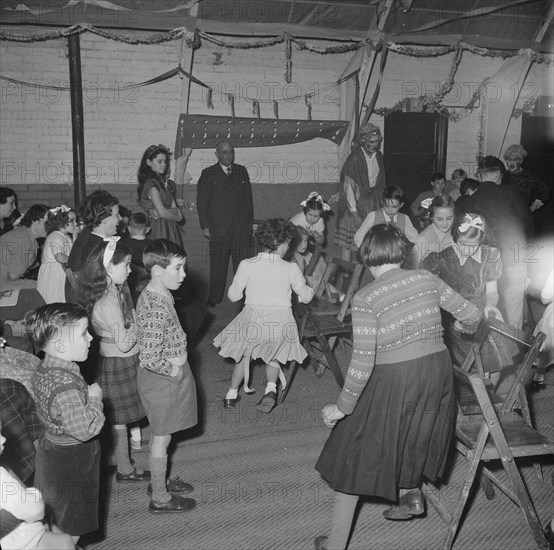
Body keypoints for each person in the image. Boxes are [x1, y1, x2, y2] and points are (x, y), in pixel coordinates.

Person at [314, 224, 480, 550]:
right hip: (437, 371)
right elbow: (472, 313)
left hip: (397, 374)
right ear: (402, 252)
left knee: (354, 450)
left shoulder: (366, 298)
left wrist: (342, 408)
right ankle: (409, 494)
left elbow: (362, 363)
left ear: (367, 257)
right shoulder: (426, 278)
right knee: (415, 426)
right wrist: (462, 324)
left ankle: (334, 544)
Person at [214, 219, 314, 413]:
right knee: (274, 357)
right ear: (284, 243)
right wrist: (307, 294)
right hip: (280, 325)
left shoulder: (246, 264)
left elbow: (234, 295)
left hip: (253, 323)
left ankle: (231, 395)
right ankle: (270, 389)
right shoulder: (291, 268)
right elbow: (305, 296)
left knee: (243, 358)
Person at [27, 303, 105, 544]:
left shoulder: (46, 366)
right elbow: (84, 430)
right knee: (73, 523)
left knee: (55, 519)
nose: (91, 337)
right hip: (72, 461)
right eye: (83, 333)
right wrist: (95, 401)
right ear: (60, 345)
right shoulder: (66, 387)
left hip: (52, 452)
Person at [77, 238, 150, 483]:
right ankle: (124, 468)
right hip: (122, 361)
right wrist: (141, 326)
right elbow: (125, 342)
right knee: (120, 420)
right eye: (126, 265)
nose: (130, 270)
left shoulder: (105, 290)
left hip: (109, 361)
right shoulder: (109, 299)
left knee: (118, 420)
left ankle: (123, 465)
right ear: (109, 267)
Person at [136, 239, 197, 514]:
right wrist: (175, 371)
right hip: (163, 380)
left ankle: (159, 481)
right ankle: (159, 497)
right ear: (158, 271)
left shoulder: (158, 292)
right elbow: (149, 357)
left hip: (167, 376)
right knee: (161, 437)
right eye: (179, 268)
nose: (183, 275)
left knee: (166, 435)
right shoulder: (157, 305)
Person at [421, 213, 517, 372]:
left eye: (474, 245)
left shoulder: (490, 255)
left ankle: (489, 395)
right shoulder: (442, 259)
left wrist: (491, 305)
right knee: (463, 367)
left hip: (482, 312)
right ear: (454, 238)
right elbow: (428, 291)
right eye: (463, 244)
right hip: (453, 314)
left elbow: (492, 291)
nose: (468, 249)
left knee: (494, 363)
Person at [464, 156, 533, 328]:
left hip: (484, 266)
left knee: (490, 311)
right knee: (514, 310)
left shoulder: (470, 201)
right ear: (499, 176)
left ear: (480, 175)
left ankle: (497, 352)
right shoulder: (512, 193)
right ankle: (515, 348)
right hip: (514, 260)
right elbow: (529, 224)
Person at [197, 140, 254, 307]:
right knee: (218, 265)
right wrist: (205, 226)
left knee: (242, 265)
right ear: (217, 154)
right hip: (218, 228)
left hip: (241, 228)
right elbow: (202, 203)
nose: (228, 155)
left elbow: (248, 200)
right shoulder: (208, 174)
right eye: (224, 152)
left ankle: (243, 297)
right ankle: (214, 297)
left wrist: (249, 224)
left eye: (231, 152)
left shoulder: (241, 171)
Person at [0, 429, 76, 550]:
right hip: (16, 540)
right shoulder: (1, 477)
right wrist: (33, 495)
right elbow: (33, 510)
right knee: (65, 541)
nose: (3, 439)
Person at [334, 123, 386, 260]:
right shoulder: (354, 159)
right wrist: (355, 213)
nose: (376, 145)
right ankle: (346, 273)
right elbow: (348, 188)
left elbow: (380, 183)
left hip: (372, 202)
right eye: (372, 142)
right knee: (350, 243)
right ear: (363, 142)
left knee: (369, 239)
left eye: (378, 141)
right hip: (355, 204)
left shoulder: (379, 157)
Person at [66, 191, 121, 300]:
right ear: (104, 219)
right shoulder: (98, 247)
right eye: (116, 215)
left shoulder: (89, 238)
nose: (120, 218)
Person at [137, 144, 184, 248]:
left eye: (165, 161)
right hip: (159, 229)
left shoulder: (165, 184)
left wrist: (171, 213)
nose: (163, 165)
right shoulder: (151, 185)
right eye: (159, 161)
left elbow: (177, 212)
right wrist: (175, 215)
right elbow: (164, 213)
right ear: (149, 162)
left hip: (171, 228)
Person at [0, 204, 49, 290]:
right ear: (35, 221)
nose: (49, 227)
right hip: (4, 284)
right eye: (46, 223)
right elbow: (14, 275)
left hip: (7, 282)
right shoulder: (22, 238)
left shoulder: (30, 238)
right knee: (44, 286)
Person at [353, 185, 418, 249]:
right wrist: (366, 251)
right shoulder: (373, 216)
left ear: (401, 205)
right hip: (376, 255)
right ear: (382, 202)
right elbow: (359, 236)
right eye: (386, 206)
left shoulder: (404, 218)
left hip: (397, 256)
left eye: (394, 207)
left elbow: (415, 238)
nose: (390, 210)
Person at [37, 205, 75, 304]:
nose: (75, 224)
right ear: (61, 222)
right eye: (72, 221)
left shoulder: (66, 237)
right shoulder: (55, 237)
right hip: (53, 274)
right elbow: (59, 257)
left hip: (61, 272)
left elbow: (72, 250)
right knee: (54, 298)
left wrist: (75, 236)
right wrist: (73, 259)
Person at [408, 194, 455, 268]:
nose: (445, 223)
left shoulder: (456, 233)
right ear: (431, 216)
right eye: (439, 219)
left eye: (449, 218)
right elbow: (411, 265)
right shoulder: (424, 237)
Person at [502, 144, 550, 213]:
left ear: (521, 161)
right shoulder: (502, 176)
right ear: (506, 160)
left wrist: (534, 206)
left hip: (522, 215)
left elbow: (546, 190)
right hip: (504, 214)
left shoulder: (529, 178)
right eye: (509, 159)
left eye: (515, 160)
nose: (511, 163)